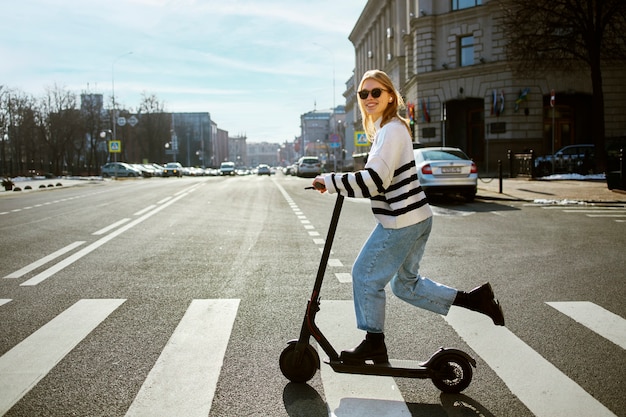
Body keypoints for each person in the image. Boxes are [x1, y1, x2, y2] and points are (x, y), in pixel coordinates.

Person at [311, 69, 504, 365]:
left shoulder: (391, 130)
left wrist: (332, 180)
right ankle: (474, 299)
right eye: (364, 94)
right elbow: (378, 179)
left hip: (402, 220)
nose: (369, 98)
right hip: (416, 217)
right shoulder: (387, 130)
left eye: (376, 92)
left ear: (390, 96)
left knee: (364, 275)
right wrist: (337, 182)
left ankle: (374, 343)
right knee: (405, 285)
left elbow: (375, 180)